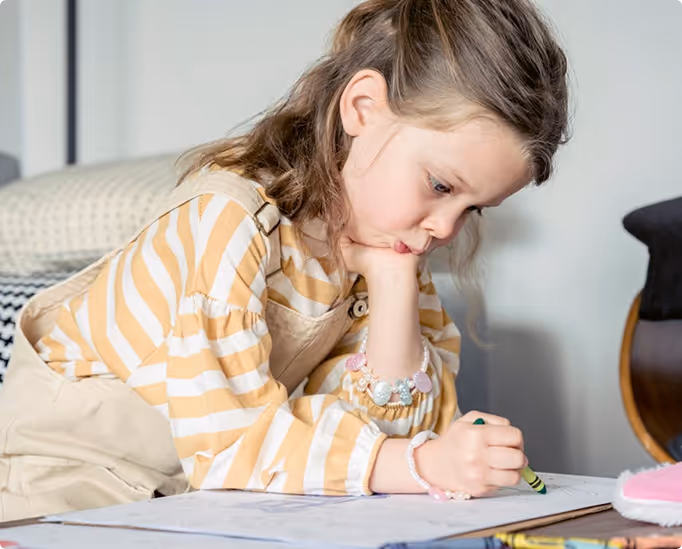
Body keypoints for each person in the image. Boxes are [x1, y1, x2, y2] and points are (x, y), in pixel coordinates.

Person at [0, 0, 569, 521]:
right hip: (56, 488)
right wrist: (422, 465)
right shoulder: (229, 219)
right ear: (363, 109)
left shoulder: (385, 243)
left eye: (475, 209)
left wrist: (394, 284)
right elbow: (230, 447)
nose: (445, 228)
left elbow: (386, 431)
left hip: (178, 499)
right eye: (441, 184)